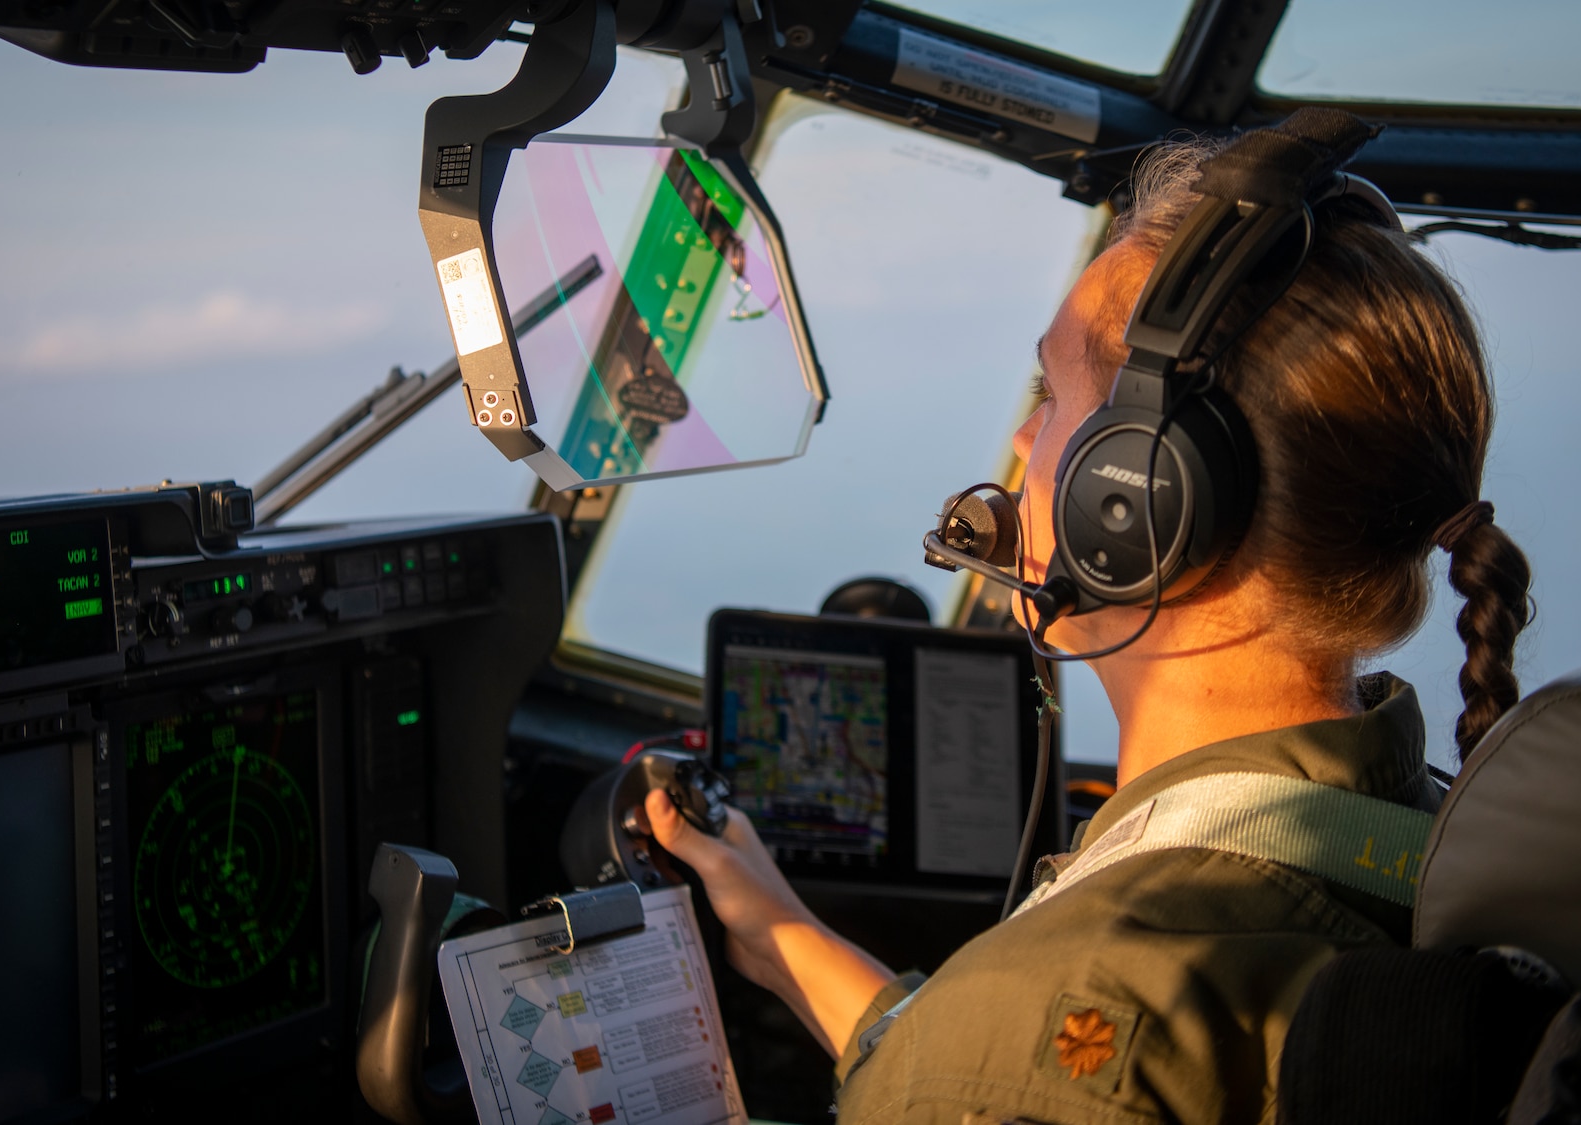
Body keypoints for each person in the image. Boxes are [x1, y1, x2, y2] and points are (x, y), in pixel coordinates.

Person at [643, 122, 1534, 1124]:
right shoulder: (1418, 833)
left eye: (1051, 394)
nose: (1021, 439)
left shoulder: (1056, 1002)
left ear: (1143, 496)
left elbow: (1018, 1061)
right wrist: (779, 938)